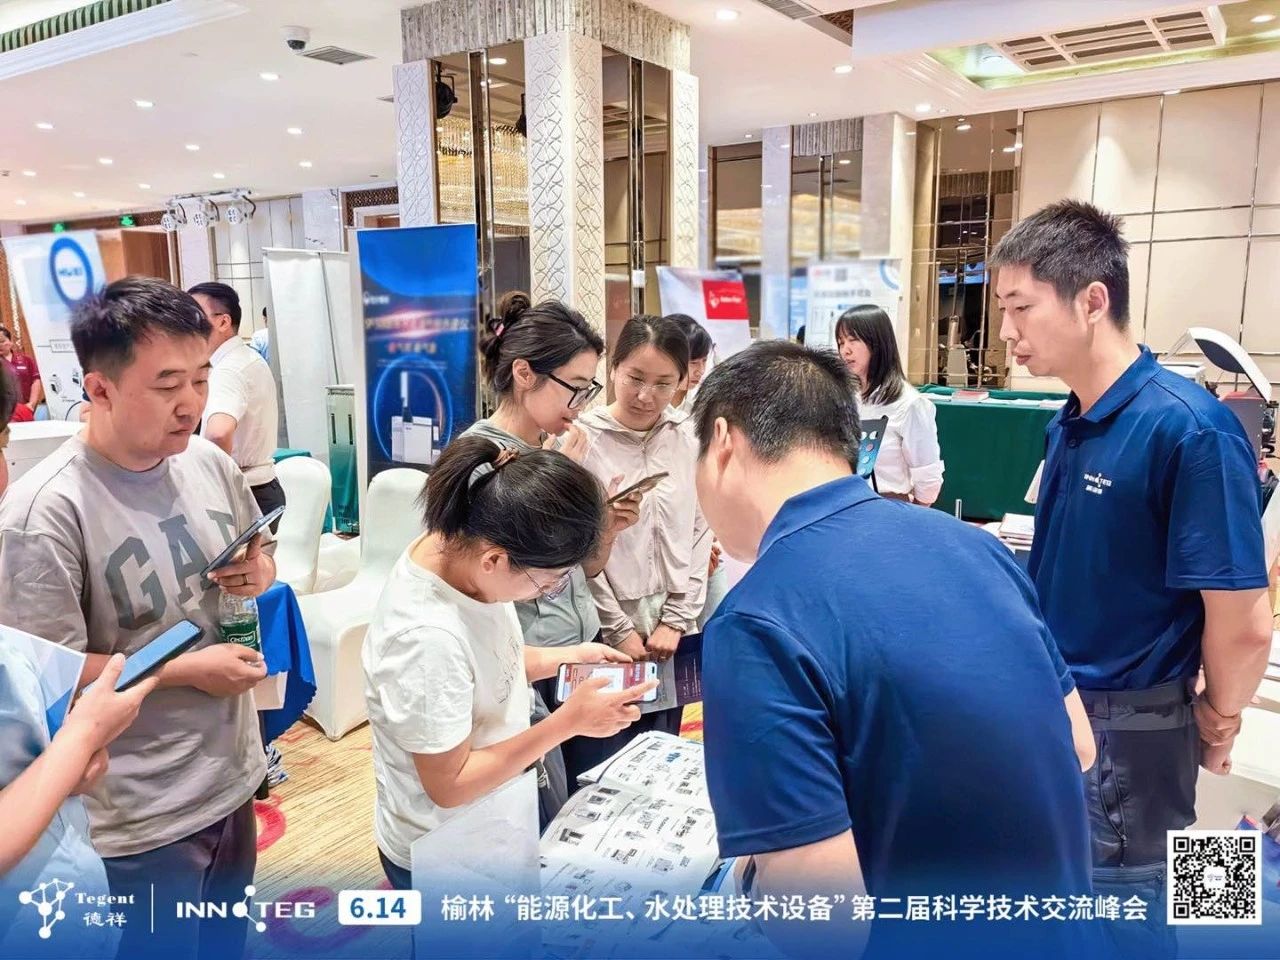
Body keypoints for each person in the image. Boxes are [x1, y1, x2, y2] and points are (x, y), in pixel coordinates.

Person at [692, 342, 1099, 960]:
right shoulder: (974, 547)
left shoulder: (757, 619)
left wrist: (754, 874)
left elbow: (823, 927)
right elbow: (1079, 746)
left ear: (722, 441)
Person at [992, 200, 1271, 958]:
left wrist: (1220, 718)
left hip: (1132, 736)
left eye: (1021, 307)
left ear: (1092, 300)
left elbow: (1245, 621)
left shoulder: (1190, 428)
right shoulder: (1070, 418)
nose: (1007, 330)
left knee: (1132, 914)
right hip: (1065, 713)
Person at [0, 276, 275, 960]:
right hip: (137, 816)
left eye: (202, 378)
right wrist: (188, 671)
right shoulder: (45, 514)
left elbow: (259, 555)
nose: (192, 404)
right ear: (99, 389)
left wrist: (260, 572)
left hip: (230, 776)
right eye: (167, 385)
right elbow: (47, 682)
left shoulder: (207, 462)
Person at [362, 436, 654, 895]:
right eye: (548, 581)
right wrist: (567, 723)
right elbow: (451, 785)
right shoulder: (426, 639)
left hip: (491, 820)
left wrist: (566, 656)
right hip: (446, 849)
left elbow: (487, 665)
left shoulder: (458, 550)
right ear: (495, 559)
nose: (548, 590)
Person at [465, 292, 642, 791]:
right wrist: (561, 477)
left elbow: (579, 569)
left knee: (595, 789)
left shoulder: (551, 447)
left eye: (589, 390)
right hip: (527, 659)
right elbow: (487, 575)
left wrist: (603, 528)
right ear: (524, 374)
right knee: (551, 798)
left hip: (577, 646)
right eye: (576, 389)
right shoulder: (481, 458)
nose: (582, 406)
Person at [578, 315, 712, 744]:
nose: (645, 395)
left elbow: (700, 531)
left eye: (663, 383)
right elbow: (576, 550)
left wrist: (677, 619)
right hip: (603, 627)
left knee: (659, 748)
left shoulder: (690, 437)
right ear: (613, 368)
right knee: (600, 749)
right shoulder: (581, 441)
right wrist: (617, 626)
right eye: (635, 378)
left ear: (682, 382)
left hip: (671, 631)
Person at [188, 282, 285, 527]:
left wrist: (211, 487)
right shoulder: (246, 358)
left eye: (194, 316)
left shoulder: (228, 369)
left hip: (244, 493)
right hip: (261, 488)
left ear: (223, 322)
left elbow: (218, 433)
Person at [835, 305, 944, 506]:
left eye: (853, 340)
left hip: (889, 506)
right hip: (846, 506)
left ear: (877, 342)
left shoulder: (909, 403)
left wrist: (908, 516)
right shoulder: (846, 397)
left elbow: (928, 481)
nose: (845, 350)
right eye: (841, 342)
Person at [667, 313, 713, 413]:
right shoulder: (645, 399)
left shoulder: (702, 401)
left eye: (704, 360)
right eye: (693, 362)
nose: (700, 371)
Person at [0, 325, 42, 417]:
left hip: (24, 409)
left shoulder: (26, 360)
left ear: (10, 342)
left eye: (2, 341)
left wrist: (31, 404)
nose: (0, 345)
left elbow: (36, 381)